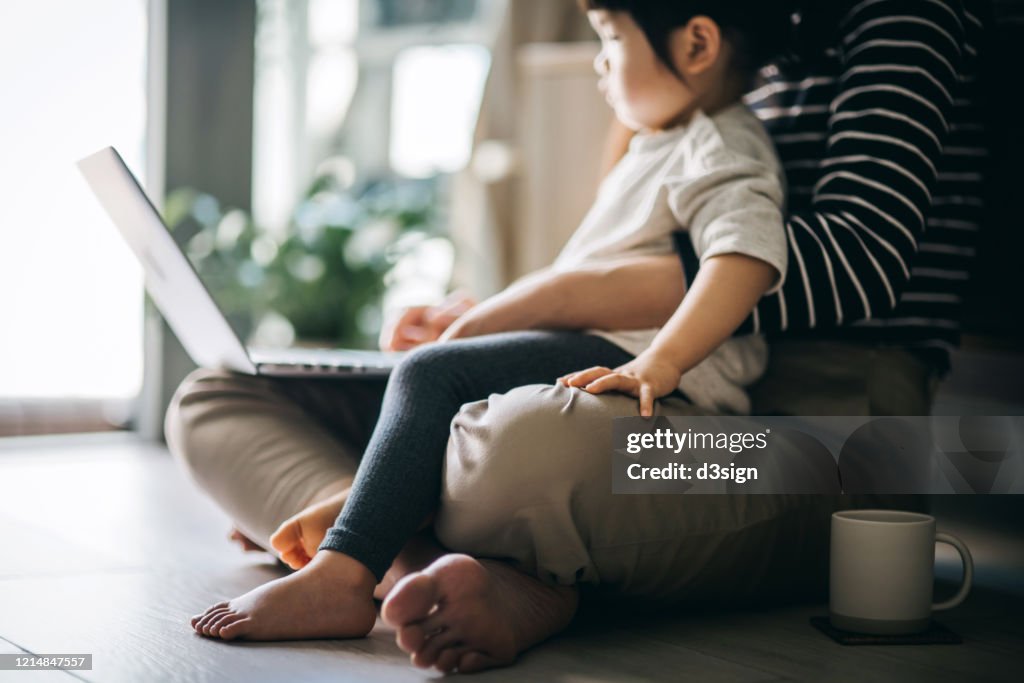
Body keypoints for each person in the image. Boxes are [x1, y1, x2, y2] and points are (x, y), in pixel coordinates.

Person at [169, 0, 986, 674]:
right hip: (638, 386)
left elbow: (850, 259)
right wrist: (490, 316)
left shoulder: (891, 25)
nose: (603, 60)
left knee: (520, 447)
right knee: (219, 395)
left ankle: (370, 536)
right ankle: (430, 563)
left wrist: (542, 306)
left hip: (822, 437)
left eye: (609, 39)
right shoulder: (711, 72)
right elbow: (626, 269)